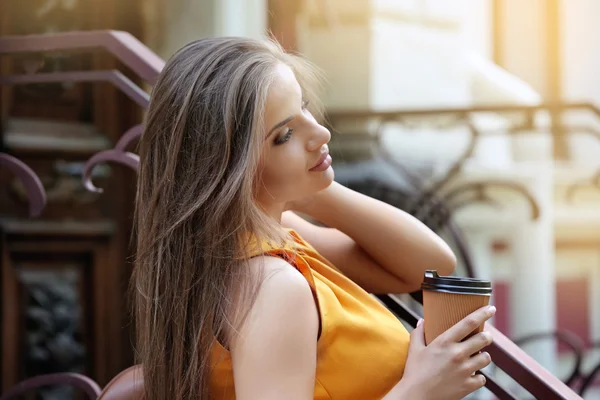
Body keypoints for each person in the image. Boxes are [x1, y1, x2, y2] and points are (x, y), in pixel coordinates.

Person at [133, 37, 496, 400]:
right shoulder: (273, 285)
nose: (320, 133)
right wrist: (420, 390)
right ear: (232, 170)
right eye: (285, 134)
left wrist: (312, 189)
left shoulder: (270, 240)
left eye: (303, 106)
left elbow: (428, 266)